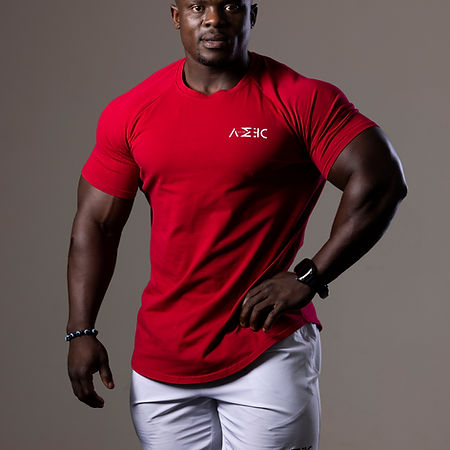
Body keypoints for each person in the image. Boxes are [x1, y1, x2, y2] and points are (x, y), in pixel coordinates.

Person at [66, 1, 407, 448]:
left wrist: (311, 276)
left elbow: (380, 180)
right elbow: (96, 224)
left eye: (230, 5)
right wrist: (81, 329)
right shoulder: (132, 111)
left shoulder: (299, 98)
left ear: (252, 14)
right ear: (176, 16)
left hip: (266, 348)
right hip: (162, 361)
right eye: (197, 6)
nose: (214, 18)